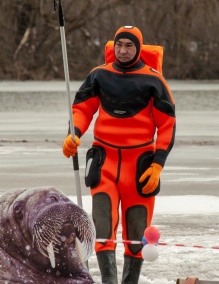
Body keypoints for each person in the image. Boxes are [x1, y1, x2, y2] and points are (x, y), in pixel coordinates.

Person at [62, 26, 176, 284]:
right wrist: (74, 133)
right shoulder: (99, 75)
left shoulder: (154, 80)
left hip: (140, 167)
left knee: (137, 233)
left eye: (129, 46)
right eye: (119, 45)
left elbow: (167, 126)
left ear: (138, 49)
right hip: (105, 162)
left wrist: (158, 165)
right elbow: (81, 109)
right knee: (102, 228)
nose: (122, 51)